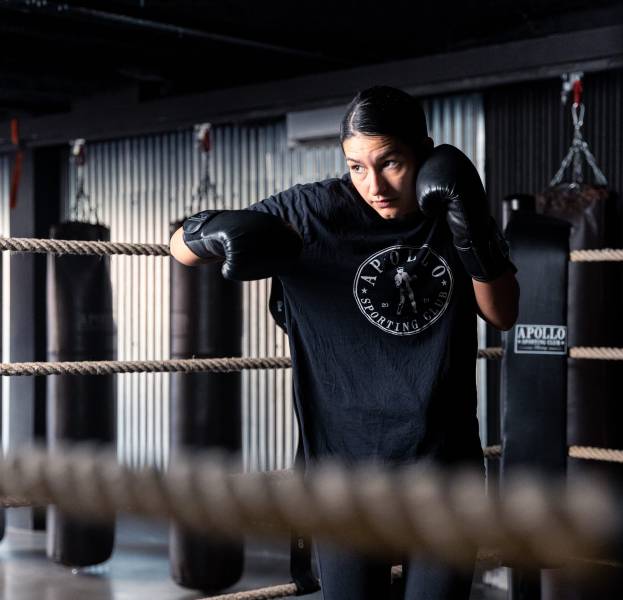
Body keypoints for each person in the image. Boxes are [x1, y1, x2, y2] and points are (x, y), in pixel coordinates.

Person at [170, 85, 519, 600]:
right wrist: (214, 234)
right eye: (356, 167)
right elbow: (180, 247)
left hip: (444, 468)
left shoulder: (450, 204)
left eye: (390, 163)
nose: (374, 185)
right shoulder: (312, 213)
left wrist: (470, 227)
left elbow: (503, 313)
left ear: (424, 148)